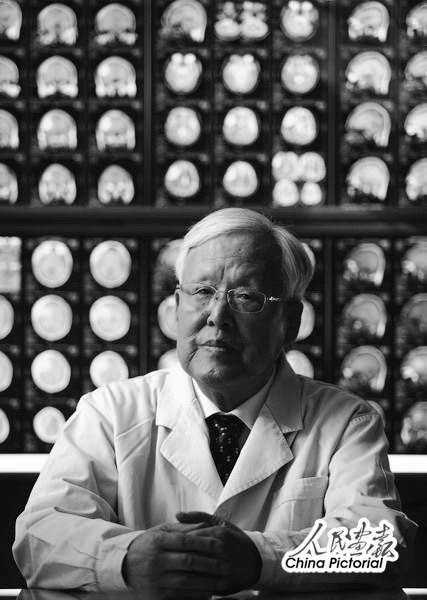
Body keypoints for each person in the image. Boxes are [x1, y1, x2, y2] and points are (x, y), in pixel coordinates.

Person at [13, 207, 416, 596]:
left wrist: (259, 559)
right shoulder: (109, 413)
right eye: (202, 291)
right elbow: (39, 536)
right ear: (177, 306)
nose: (217, 315)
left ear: (290, 322)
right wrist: (126, 558)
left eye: (246, 297)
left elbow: (380, 546)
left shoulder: (347, 422)